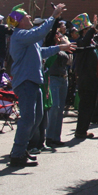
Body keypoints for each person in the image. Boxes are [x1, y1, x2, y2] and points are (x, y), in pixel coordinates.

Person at [6, 3, 75, 167]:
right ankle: (17, 154)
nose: (30, 17)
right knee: (28, 118)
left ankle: (22, 149)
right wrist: (54, 16)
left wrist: (60, 47)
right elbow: (41, 32)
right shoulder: (20, 35)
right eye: (26, 15)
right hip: (26, 82)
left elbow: (41, 52)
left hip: (34, 81)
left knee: (36, 118)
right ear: (20, 20)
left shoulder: (27, 37)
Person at [44, 20, 71, 148]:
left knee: (60, 109)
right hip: (53, 78)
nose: (59, 37)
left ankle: (56, 137)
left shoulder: (62, 46)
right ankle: (49, 137)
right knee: (54, 108)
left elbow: (70, 60)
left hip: (63, 78)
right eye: (57, 35)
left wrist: (64, 42)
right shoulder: (50, 47)